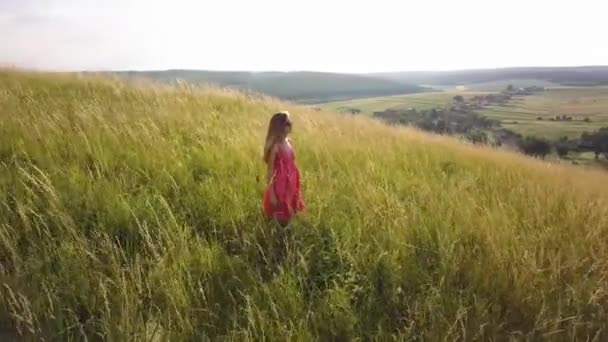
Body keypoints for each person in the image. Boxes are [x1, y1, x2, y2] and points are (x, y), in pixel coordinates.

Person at [262, 111, 305, 226]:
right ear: (279, 126)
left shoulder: (289, 142)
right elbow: (270, 170)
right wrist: (271, 192)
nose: (290, 124)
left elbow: (292, 162)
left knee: (291, 205)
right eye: (287, 123)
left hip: (291, 181)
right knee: (281, 207)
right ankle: (279, 229)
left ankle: (289, 227)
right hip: (280, 184)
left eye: (290, 122)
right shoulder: (276, 147)